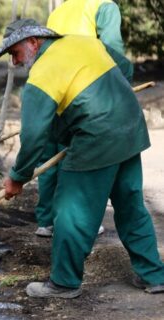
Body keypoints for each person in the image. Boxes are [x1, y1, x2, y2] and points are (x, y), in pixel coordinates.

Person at [0, 19, 164, 298]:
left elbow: (34, 135)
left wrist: (18, 176)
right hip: (129, 126)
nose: (14, 62)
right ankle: (155, 276)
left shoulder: (43, 73)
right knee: (130, 205)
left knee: (71, 211)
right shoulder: (84, 41)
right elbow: (126, 68)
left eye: (15, 53)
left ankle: (63, 283)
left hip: (98, 137)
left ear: (33, 42)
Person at [35, 0, 125, 237]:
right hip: (84, 90)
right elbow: (112, 48)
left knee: (49, 157)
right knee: (76, 159)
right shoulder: (104, 6)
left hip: (54, 87)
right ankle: (82, 222)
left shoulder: (58, 12)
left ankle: (45, 222)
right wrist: (120, 85)